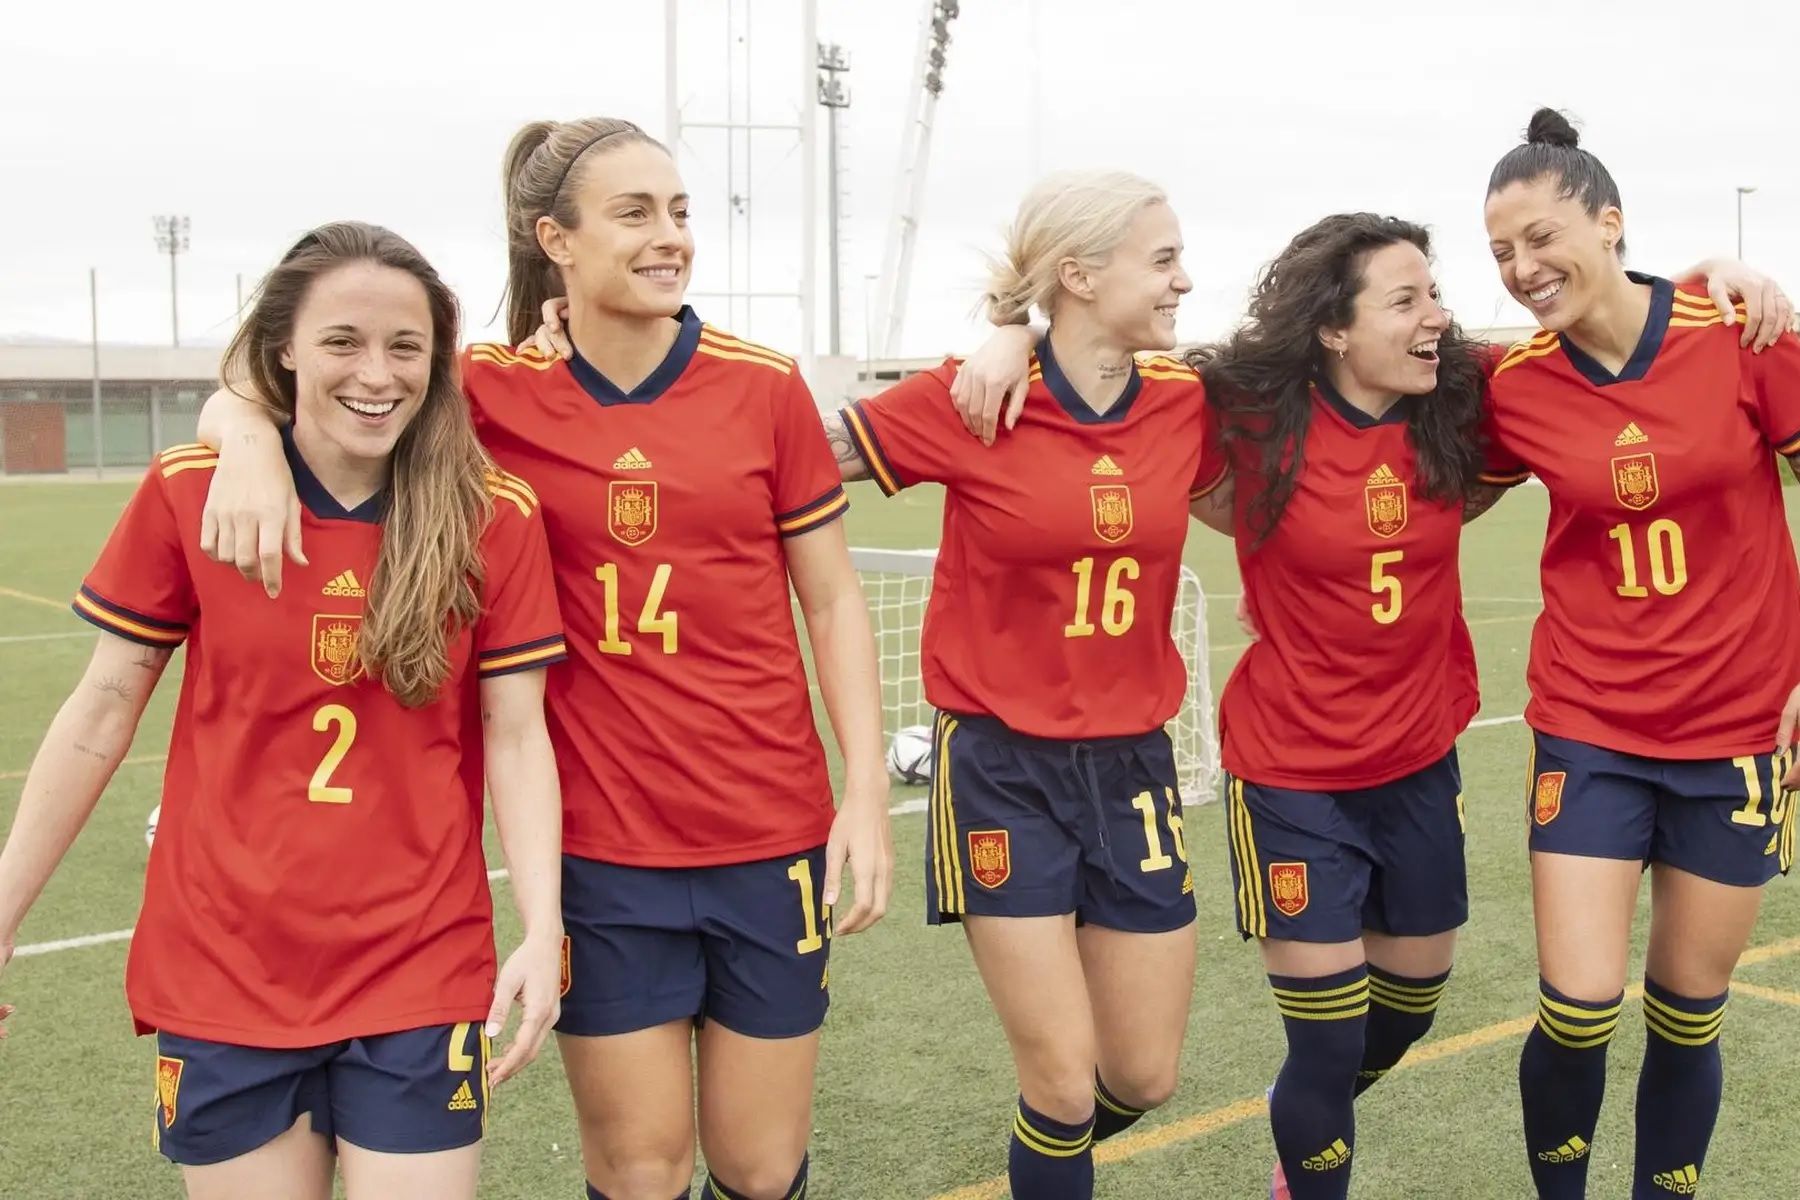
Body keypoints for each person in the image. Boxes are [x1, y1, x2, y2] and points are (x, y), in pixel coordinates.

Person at [952, 210, 1791, 1200]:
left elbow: (1607, 312)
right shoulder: (1244, 415)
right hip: (1290, 768)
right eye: (1407, 299)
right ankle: (1285, 1163)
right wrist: (1014, 327)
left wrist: (1707, 270)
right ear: (1333, 329)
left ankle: (1294, 1112)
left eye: (1436, 292)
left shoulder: (1465, 400)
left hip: (1419, 760)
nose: (1438, 314)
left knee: (1410, 1001)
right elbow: (1100, 361)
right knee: (1327, 1036)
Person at [193, 118, 892, 1200]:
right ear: (553, 241)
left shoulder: (763, 384)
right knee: (642, 1166)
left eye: (679, 212)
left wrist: (860, 795)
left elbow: (835, 598)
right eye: (635, 213)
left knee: (760, 1166)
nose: (670, 237)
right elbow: (292, 375)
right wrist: (243, 435)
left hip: (768, 832)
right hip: (603, 850)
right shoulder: (489, 389)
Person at [0, 221, 567, 1200]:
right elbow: (100, 713)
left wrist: (543, 925)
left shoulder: (491, 514)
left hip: (418, 965)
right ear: (283, 350)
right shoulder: (192, 494)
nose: (377, 374)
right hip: (224, 968)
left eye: (406, 347)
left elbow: (518, 737)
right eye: (343, 341)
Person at [827, 171, 1216, 1199]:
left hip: (1134, 763)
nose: (1187, 279)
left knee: (1142, 1072)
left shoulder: (1187, 399)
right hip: (1001, 766)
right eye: (1164, 259)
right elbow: (798, 456)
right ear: (1081, 275)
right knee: (1060, 1085)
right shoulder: (978, 396)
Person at [1478, 108, 1800, 1200]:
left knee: (1686, 1008)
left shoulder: (1742, 334)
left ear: (1609, 223)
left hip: (1740, 729)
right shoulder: (1513, 384)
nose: (1522, 269)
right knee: (1575, 1006)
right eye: (1501, 254)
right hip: (1592, 723)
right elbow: (1367, 417)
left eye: (1539, 238)